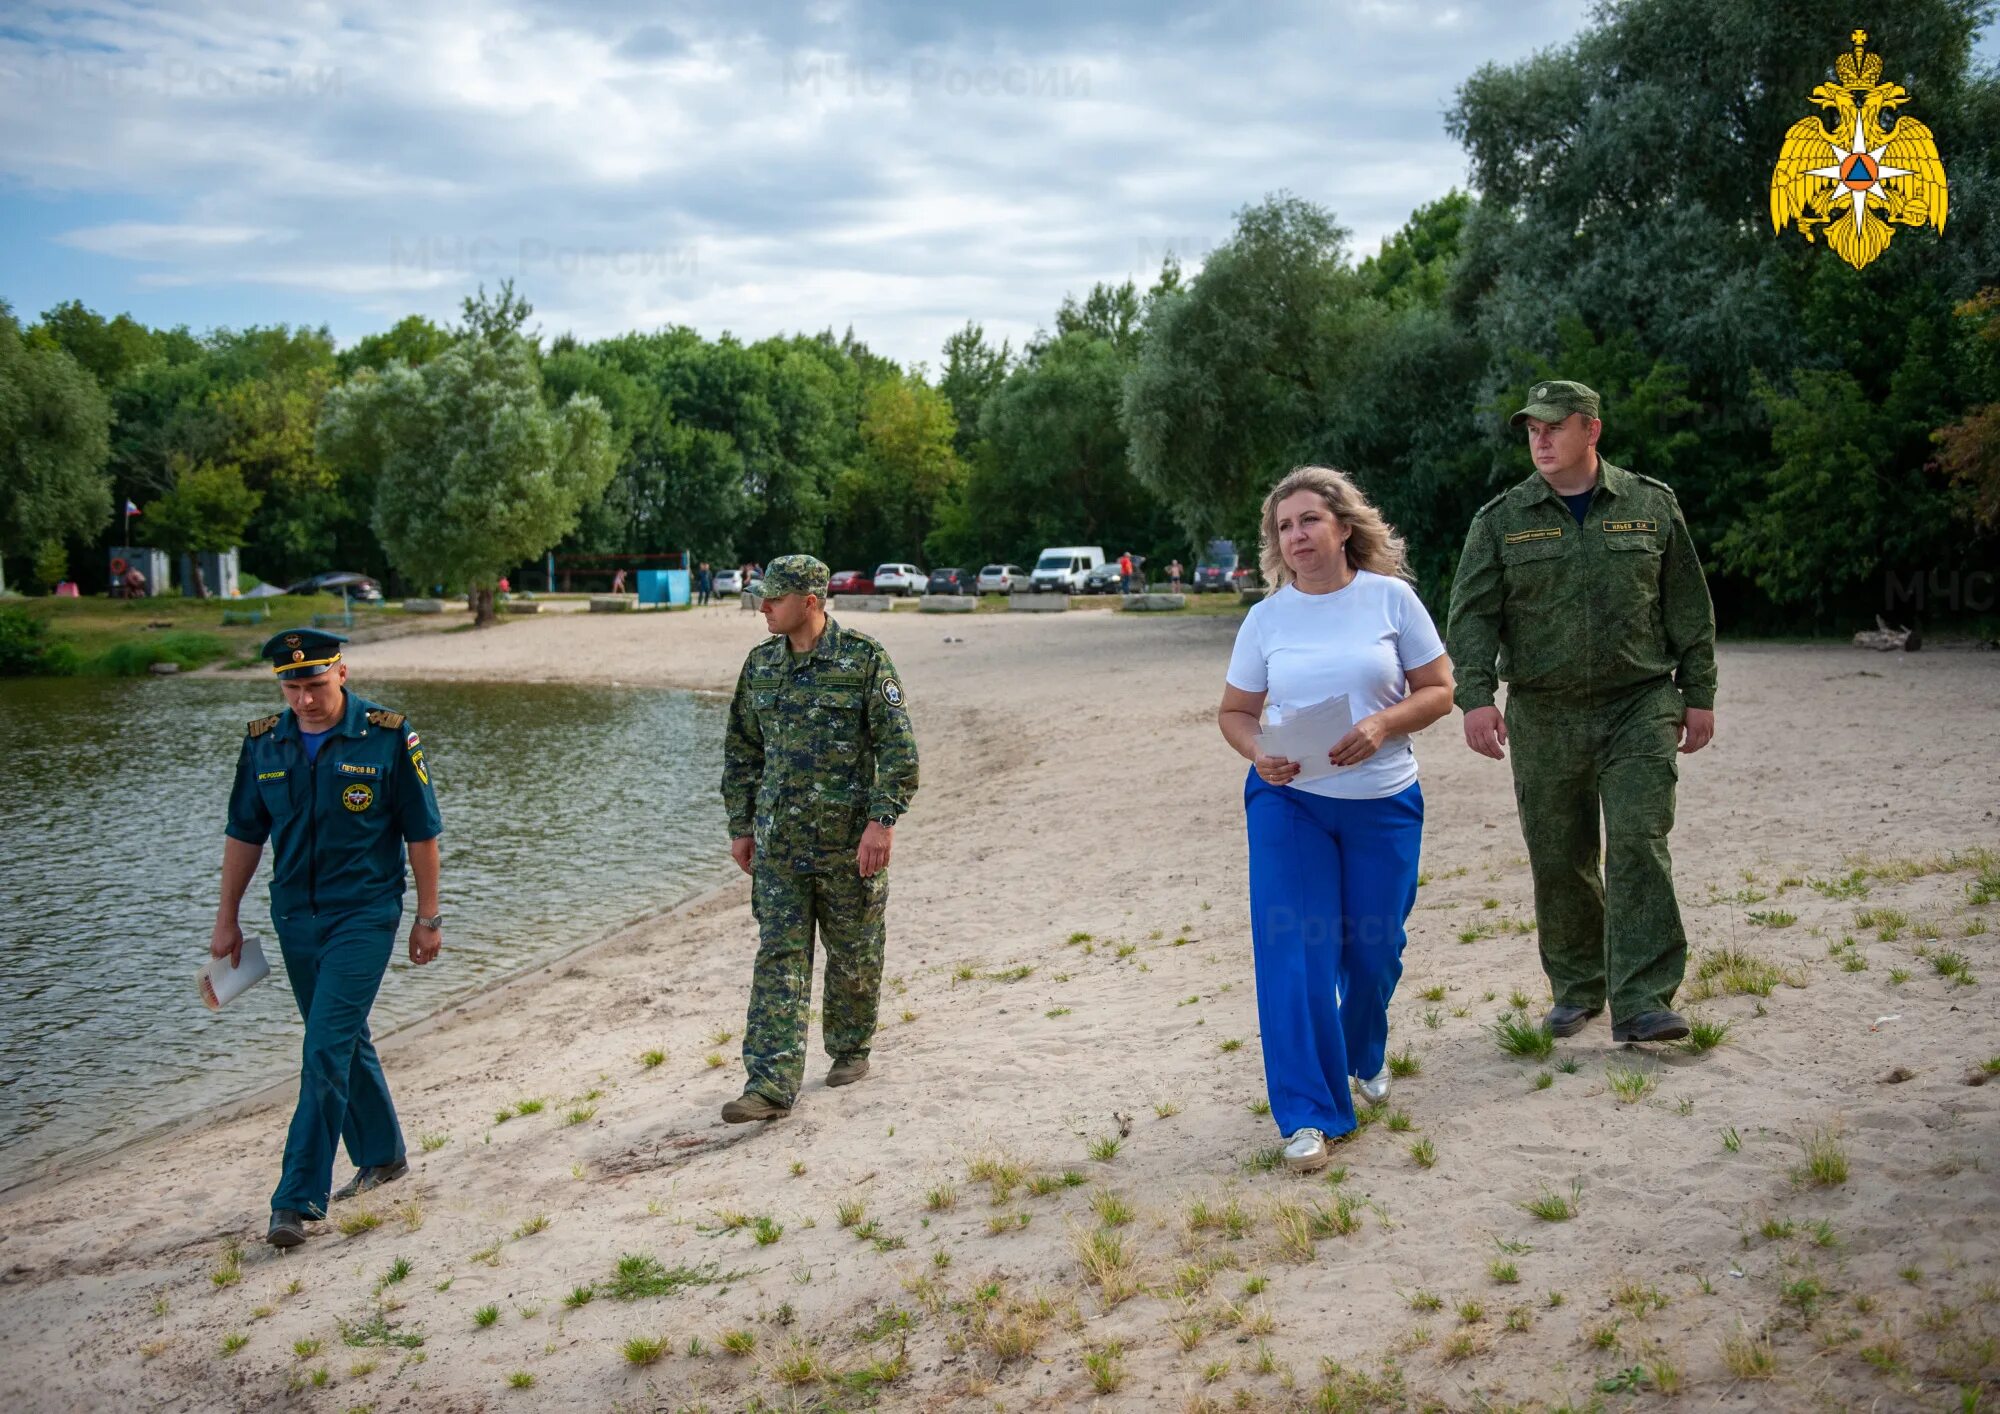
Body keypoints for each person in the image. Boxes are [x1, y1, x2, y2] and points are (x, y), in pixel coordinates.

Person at [1445, 379, 1717, 1045]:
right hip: (1545, 713)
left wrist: (1700, 693)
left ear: (1590, 431)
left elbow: (1688, 604)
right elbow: (1473, 616)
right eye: (1531, 429)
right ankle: (1576, 988)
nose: (1539, 439)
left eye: (1553, 426)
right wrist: (1476, 698)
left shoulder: (1652, 506)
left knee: (1637, 844)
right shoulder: (1500, 520)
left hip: (1641, 703)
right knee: (1560, 857)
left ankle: (1645, 1000)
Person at [1217, 468, 1454, 1172]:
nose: (1296, 535)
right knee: (1296, 952)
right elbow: (1234, 712)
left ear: (1344, 527)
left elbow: (1440, 690)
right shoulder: (1266, 619)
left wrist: (1383, 724)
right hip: (1290, 803)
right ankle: (1308, 1116)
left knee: (1373, 950)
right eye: (1284, 526)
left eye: (1309, 520)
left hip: (1384, 803)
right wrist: (1259, 752)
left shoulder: (1392, 601)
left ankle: (1364, 1045)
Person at [212, 628, 444, 1248]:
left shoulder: (388, 735)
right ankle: (384, 1154)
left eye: (314, 684)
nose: (305, 701)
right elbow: (244, 833)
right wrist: (226, 918)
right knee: (341, 1037)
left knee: (322, 1047)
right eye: (292, 687)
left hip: (365, 913)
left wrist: (428, 917)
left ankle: (295, 1200)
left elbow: (422, 833)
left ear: (341, 673)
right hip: (294, 919)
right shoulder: (266, 743)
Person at [720, 555, 919, 1122]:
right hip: (779, 846)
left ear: (810, 601)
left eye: (774, 598)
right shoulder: (760, 666)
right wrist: (740, 825)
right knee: (779, 956)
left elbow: (899, 752)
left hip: (847, 847)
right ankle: (769, 1084)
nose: (762, 606)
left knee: (853, 955)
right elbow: (742, 751)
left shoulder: (863, 660)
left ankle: (851, 1047)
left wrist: (882, 822)